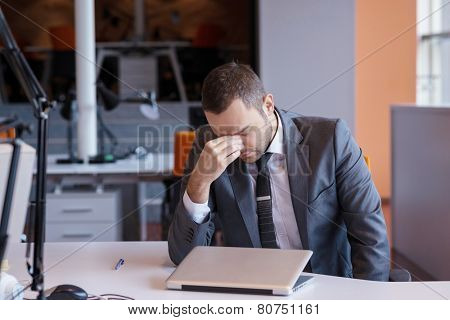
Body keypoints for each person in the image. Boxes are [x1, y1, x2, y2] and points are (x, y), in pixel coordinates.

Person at [168, 62, 390, 281]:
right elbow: (184, 258)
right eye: (222, 135)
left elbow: (370, 238)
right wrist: (199, 183)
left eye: (244, 132)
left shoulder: (331, 139)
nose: (236, 145)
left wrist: (365, 302)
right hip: (251, 290)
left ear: (267, 105)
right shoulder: (207, 146)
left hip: (326, 285)